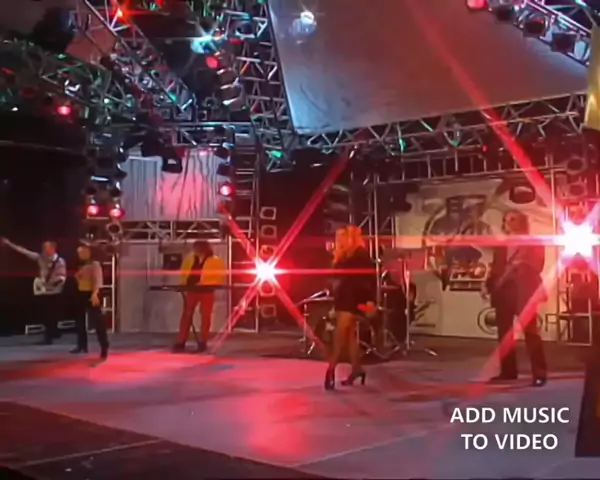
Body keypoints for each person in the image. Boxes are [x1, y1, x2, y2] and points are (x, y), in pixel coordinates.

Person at [482, 210, 547, 387]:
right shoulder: (501, 245)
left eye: (513, 219)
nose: (508, 222)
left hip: (524, 291)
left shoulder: (534, 242)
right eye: (506, 219)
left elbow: (538, 265)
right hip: (504, 292)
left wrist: (520, 265)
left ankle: (539, 374)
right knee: (504, 334)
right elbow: (495, 268)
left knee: (531, 333)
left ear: (522, 222)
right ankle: (508, 371)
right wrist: (487, 284)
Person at [325, 225, 376, 390]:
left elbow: (370, 278)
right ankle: (357, 369)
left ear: (350, 237)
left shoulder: (360, 253)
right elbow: (336, 279)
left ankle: (331, 368)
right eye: (337, 237)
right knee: (349, 335)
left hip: (355, 298)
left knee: (340, 333)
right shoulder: (341, 255)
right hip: (343, 298)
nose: (339, 240)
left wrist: (371, 300)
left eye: (343, 236)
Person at [1, 237, 66, 344]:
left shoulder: (59, 261)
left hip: (54, 290)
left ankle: (50, 336)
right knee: (45, 314)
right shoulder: (40, 258)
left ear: (53, 248)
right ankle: (53, 332)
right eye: (43, 247)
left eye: (46, 247)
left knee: (51, 314)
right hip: (44, 290)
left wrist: (53, 283)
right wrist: (9, 244)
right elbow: (24, 251)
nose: (44, 249)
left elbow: (62, 277)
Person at [173, 240, 226, 353]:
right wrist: (183, 284)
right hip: (192, 290)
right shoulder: (191, 259)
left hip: (206, 291)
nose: (195, 250)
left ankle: (203, 342)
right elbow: (184, 272)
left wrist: (205, 283)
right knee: (186, 315)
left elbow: (219, 276)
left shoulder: (216, 261)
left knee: (205, 316)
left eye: (196, 248)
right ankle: (181, 342)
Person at [73, 244, 109, 360]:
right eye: (79, 253)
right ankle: (82, 345)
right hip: (81, 293)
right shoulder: (81, 265)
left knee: (97, 321)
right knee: (80, 320)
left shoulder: (95, 264)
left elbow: (98, 281)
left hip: (92, 293)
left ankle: (104, 347)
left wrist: (95, 294)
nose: (81, 255)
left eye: (83, 252)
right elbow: (80, 279)